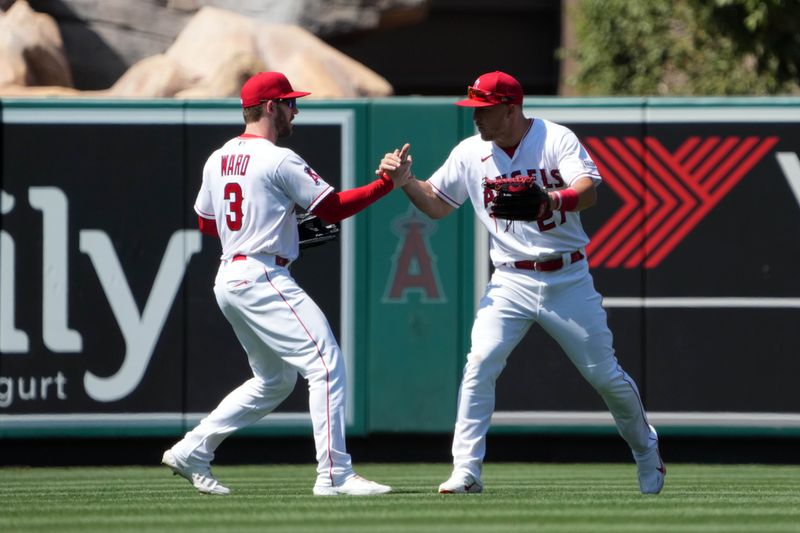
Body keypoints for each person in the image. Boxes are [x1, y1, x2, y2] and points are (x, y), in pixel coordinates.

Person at [380, 71, 665, 495]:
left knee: (604, 376)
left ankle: (646, 450)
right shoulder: (470, 151)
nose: (476, 117)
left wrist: (553, 198)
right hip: (510, 279)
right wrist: (405, 183)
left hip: (567, 277)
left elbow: (589, 190)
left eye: (485, 109)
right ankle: (466, 469)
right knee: (480, 363)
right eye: (474, 109)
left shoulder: (554, 138)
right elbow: (437, 206)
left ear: (511, 109)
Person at [163, 71, 409, 496]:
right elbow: (331, 209)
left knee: (274, 380)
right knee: (326, 364)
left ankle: (193, 449)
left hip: (230, 276)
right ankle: (334, 474)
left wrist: (276, 223)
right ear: (272, 107)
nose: (296, 110)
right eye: (291, 103)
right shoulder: (279, 158)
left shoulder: (218, 158)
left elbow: (207, 222)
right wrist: (388, 184)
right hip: (261, 274)